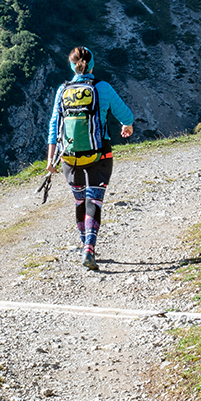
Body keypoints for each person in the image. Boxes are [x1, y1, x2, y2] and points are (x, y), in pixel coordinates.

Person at [46, 46, 134, 270]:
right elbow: (126, 114)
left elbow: (54, 126)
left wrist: (50, 160)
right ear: (92, 65)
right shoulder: (102, 88)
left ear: (71, 65)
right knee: (94, 201)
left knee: (80, 202)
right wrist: (127, 125)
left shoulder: (62, 90)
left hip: (69, 159)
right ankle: (89, 250)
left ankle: (84, 242)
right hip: (100, 156)